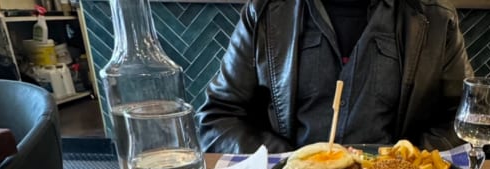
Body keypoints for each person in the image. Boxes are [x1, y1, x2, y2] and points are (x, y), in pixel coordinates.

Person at [196, 0, 473, 154]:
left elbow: (465, 120)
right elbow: (217, 117)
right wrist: (286, 162)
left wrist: (401, 163)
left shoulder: (436, 17)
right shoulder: (265, 11)